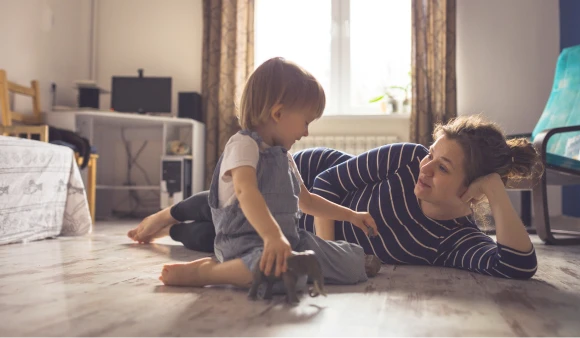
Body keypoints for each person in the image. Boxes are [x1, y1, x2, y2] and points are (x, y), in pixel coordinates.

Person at [130, 116, 542, 281]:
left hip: (301, 237)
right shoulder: (406, 158)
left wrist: (495, 191)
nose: (426, 167)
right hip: (310, 182)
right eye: (432, 155)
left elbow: (519, 267)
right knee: (228, 206)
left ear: (471, 192)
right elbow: (324, 187)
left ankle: (177, 229)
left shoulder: (455, 240)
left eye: (444, 168)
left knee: (204, 241)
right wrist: (324, 254)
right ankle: (165, 214)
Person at [130, 57, 381, 289]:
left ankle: (307, 263)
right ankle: (206, 273)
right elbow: (245, 190)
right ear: (278, 113)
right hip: (246, 246)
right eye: (306, 122)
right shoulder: (243, 145)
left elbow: (308, 202)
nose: (306, 133)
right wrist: (271, 237)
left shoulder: (285, 158)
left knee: (350, 264)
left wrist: (351, 215)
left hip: (289, 241)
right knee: (282, 274)